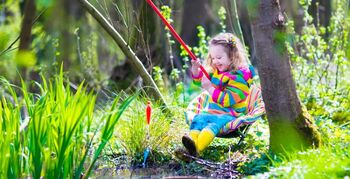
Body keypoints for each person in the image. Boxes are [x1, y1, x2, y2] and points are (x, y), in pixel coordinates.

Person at [182, 33, 256, 156]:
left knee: (212, 125)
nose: (215, 61)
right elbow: (199, 80)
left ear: (232, 57)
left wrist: (210, 88)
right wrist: (195, 69)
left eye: (219, 58)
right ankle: (190, 147)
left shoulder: (239, 78)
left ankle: (196, 150)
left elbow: (228, 100)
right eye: (213, 58)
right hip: (212, 110)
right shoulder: (217, 72)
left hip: (230, 114)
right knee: (198, 120)